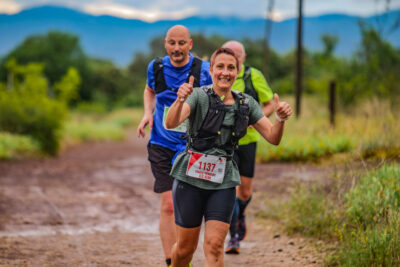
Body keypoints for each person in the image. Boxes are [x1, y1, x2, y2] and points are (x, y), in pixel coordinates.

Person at [165, 47, 292, 267]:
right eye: (220, 66)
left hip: (222, 182)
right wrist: (179, 100)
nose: (225, 72)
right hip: (189, 181)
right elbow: (171, 123)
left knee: (214, 246)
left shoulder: (247, 103)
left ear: (238, 71)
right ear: (211, 70)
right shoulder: (197, 95)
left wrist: (280, 119)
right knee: (185, 250)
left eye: (231, 67)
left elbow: (273, 137)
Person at [137, 25, 212, 267]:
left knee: (188, 205)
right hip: (161, 143)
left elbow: (216, 100)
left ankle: (183, 255)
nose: (176, 48)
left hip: (192, 146)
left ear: (190, 45)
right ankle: (173, 262)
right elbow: (149, 90)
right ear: (166, 43)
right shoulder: (156, 67)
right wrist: (147, 113)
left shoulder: (203, 70)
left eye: (181, 43)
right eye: (172, 43)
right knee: (169, 204)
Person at [221, 40, 274, 254]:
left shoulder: (254, 76)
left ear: (243, 58)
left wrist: (257, 118)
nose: (233, 59)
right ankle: (233, 237)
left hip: (249, 140)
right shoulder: (219, 76)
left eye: (237, 55)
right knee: (230, 189)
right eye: (228, 55)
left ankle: (241, 214)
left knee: (244, 191)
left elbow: (269, 103)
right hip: (225, 143)